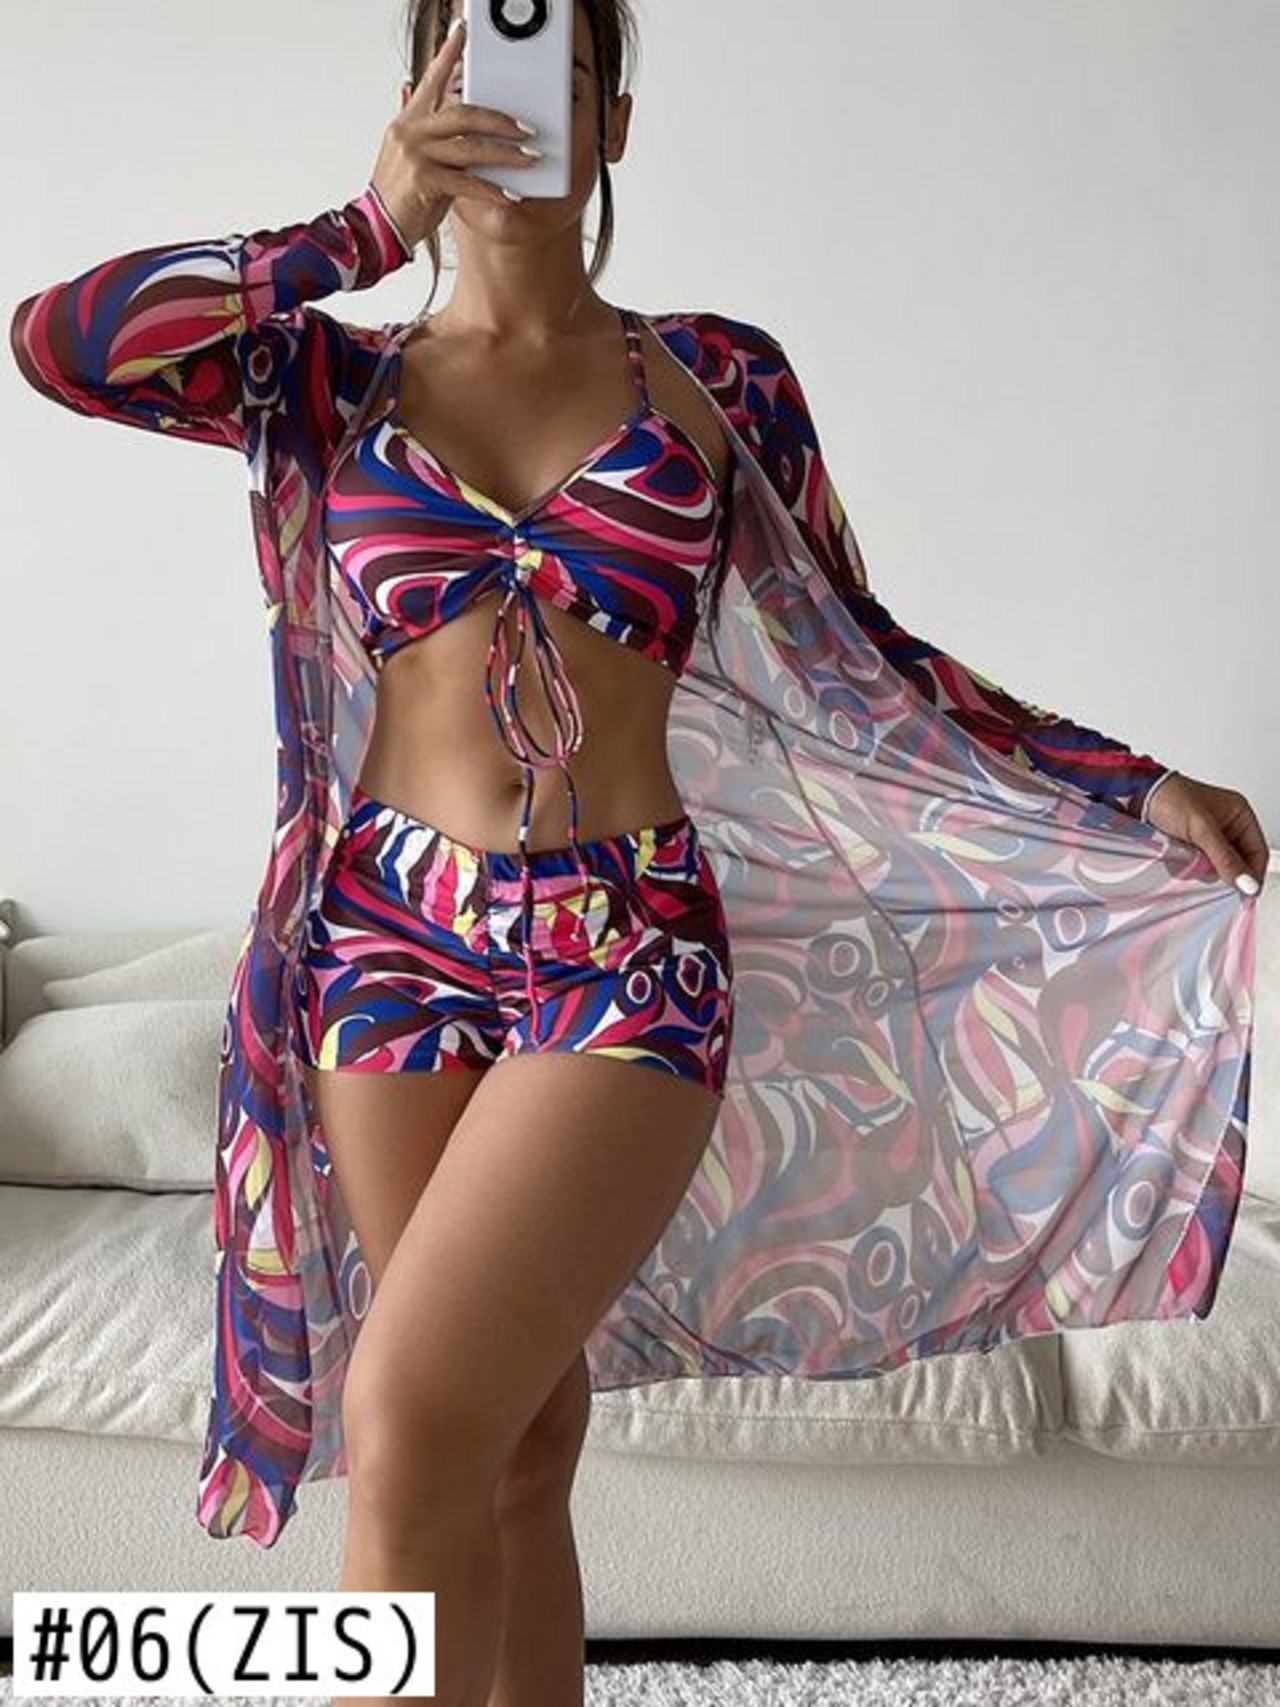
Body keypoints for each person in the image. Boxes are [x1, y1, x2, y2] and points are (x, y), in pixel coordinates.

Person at [9, 2, 1266, 1703]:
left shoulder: (718, 379)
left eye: (560, 75)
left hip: (626, 945)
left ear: (612, 123)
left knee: (408, 1418)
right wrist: (360, 226)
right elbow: (58, 340)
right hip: (384, 939)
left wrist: (1127, 786)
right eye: (473, 70)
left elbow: (870, 656)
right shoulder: (325, 374)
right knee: (515, 1445)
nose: (516, 109)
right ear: (416, 97)